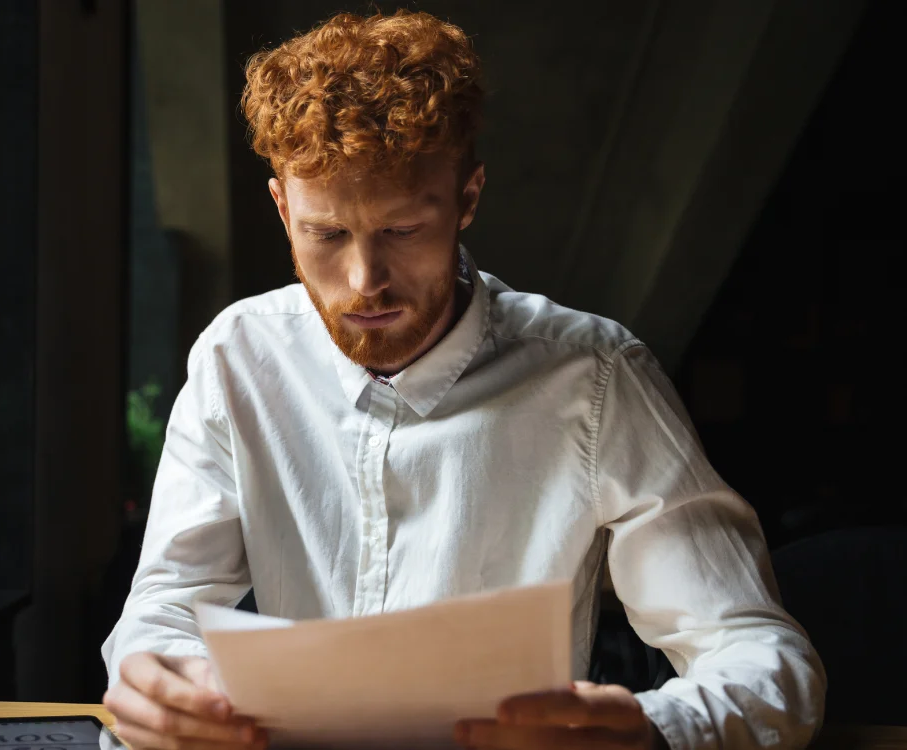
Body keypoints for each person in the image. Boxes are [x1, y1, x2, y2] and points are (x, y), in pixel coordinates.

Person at [101, 9, 824, 750]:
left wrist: (652, 730)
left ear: (468, 198)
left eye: (402, 231)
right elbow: (166, 605)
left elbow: (766, 662)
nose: (364, 282)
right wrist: (160, 682)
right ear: (283, 208)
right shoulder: (235, 357)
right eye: (325, 234)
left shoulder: (598, 380)